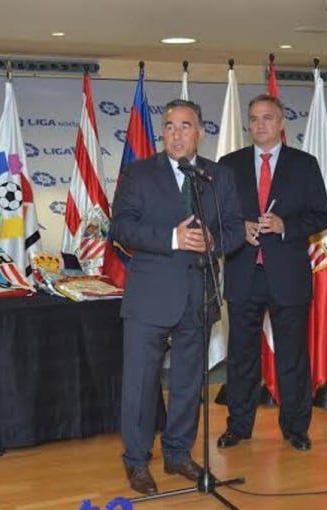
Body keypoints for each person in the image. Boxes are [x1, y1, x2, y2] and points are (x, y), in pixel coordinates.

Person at [111, 99, 244, 495]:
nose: (176, 134)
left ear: (200, 132)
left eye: (185, 126)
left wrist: (213, 242)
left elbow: (236, 228)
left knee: (188, 382)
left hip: (198, 293)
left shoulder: (218, 176)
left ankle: (177, 452)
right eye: (169, 126)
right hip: (150, 296)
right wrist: (172, 238)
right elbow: (122, 228)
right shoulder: (138, 173)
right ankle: (136, 461)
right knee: (139, 384)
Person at [217, 94, 327, 452]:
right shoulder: (228, 164)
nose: (260, 125)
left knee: (292, 357)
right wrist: (241, 228)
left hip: (288, 276)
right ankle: (238, 426)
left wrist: (284, 225)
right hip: (243, 273)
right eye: (253, 119)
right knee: (241, 357)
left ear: (282, 123)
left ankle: (296, 428)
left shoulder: (304, 164)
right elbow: (217, 215)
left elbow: (321, 216)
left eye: (267, 118)